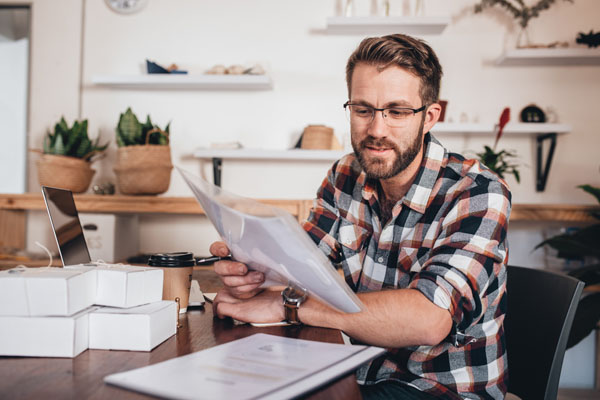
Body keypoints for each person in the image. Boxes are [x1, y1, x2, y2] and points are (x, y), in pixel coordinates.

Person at [210, 34, 511, 400]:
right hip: (360, 371)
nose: (376, 130)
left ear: (430, 116)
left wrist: (290, 306)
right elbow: (300, 267)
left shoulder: (477, 192)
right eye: (363, 109)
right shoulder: (346, 175)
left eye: (397, 112)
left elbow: (429, 319)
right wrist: (251, 273)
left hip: (440, 389)